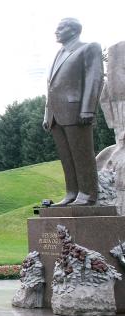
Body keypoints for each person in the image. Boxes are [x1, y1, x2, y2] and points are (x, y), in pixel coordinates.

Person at [44, 18, 104, 206]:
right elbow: (51, 87)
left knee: (82, 155)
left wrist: (88, 109)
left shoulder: (88, 48)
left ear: (74, 30)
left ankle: (87, 194)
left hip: (77, 111)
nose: (56, 31)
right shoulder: (59, 54)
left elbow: (94, 78)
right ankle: (72, 192)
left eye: (61, 28)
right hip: (56, 114)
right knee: (67, 157)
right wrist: (47, 114)